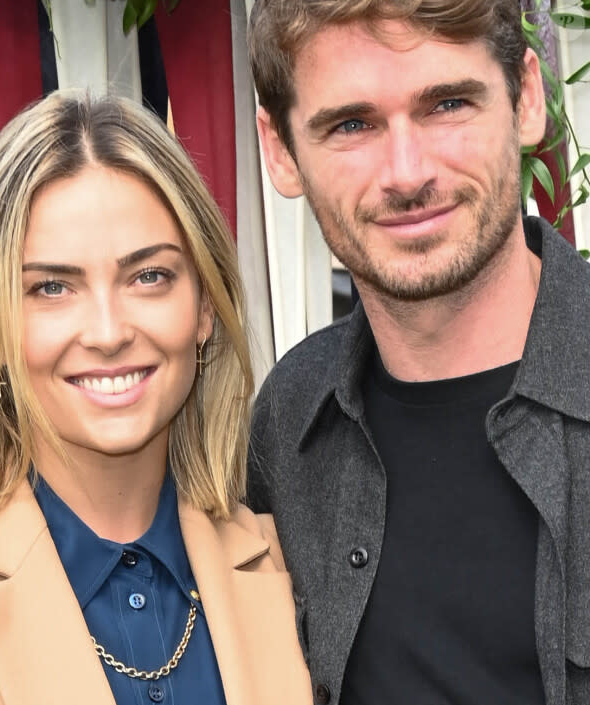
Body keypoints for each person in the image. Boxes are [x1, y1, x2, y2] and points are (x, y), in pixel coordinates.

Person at [0, 91, 310, 705]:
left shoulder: (290, 562)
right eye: (51, 287)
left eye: (149, 276)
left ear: (205, 307)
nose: (108, 331)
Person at [246, 2, 590, 704]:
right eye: (352, 124)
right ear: (280, 150)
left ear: (527, 99)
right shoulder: (291, 420)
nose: (406, 173)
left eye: (447, 104)